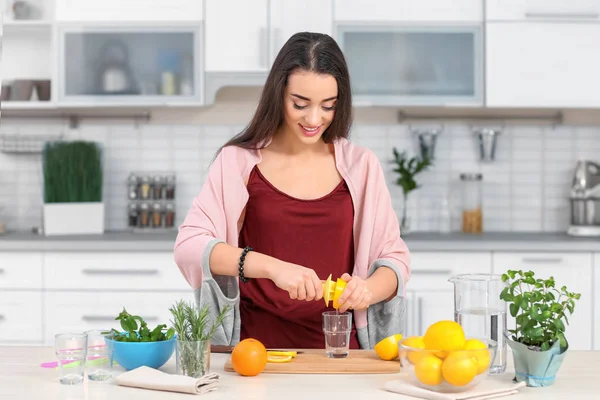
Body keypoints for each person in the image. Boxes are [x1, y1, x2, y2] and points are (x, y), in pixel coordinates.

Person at [174, 31, 411, 350]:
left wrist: (366, 290)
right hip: (254, 352)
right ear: (278, 94)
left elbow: (394, 261)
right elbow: (189, 246)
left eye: (328, 106)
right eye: (300, 104)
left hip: (341, 354)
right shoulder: (239, 162)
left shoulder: (361, 166)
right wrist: (272, 267)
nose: (315, 119)